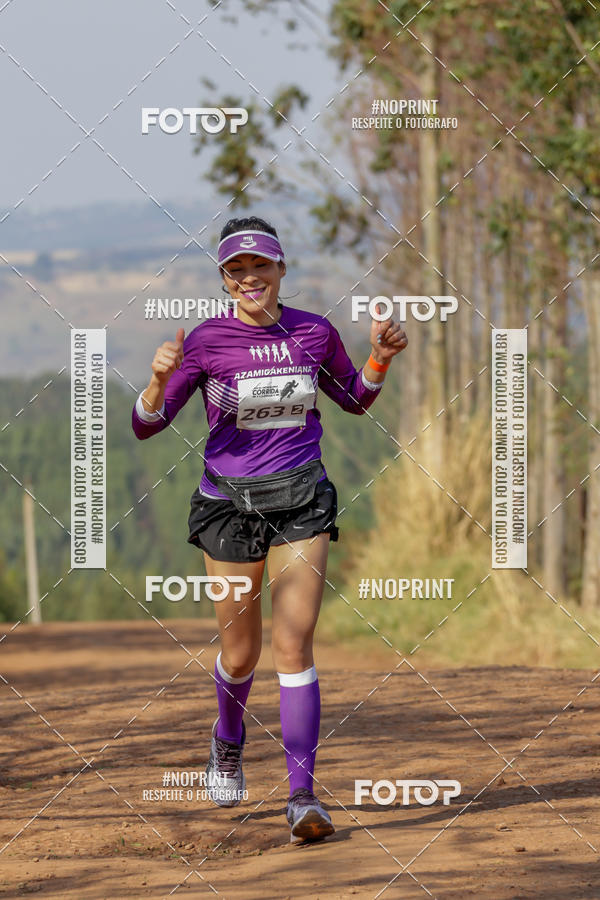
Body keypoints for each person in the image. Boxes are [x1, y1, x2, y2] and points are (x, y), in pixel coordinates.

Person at [131, 216, 407, 843]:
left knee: (294, 643)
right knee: (240, 653)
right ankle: (227, 741)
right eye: (237, 270)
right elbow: (146, 426)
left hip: (301, 501)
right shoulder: (207, 340)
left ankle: (302, 797)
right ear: (224, 278)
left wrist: (379, 359)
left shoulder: (313, 332)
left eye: (261, 266)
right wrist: (157, 379)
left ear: (281, 269)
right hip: (228, 508)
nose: (250, 278)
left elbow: (353, 398)